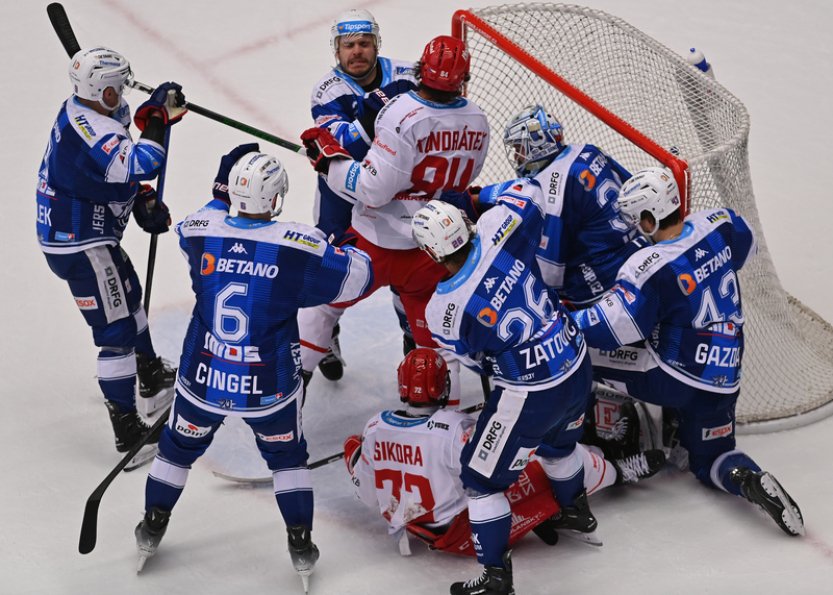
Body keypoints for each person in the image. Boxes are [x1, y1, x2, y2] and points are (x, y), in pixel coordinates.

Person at [133, 146, 374, 589]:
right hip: (269, 385)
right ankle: (300, 542)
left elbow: (210, 209)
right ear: (276, 198)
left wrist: (226, 172)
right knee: (287, 459)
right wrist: (346, 243)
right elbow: (360, 277)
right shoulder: (299, 246)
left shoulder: (197, 231)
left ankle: (153, 523)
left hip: (202, 377)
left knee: (175, 451)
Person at [569, 167, 805, 537]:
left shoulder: (647, 266)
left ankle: (585, 443)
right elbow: (745, 248)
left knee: (575, 354)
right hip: (725, 377)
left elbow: (611, 328)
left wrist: (559, 319)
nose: (635, 228)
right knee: (712, 458)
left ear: (649, 218)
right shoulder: (721, 222)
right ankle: (748, 479)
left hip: (671, 379)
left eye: (637, 220)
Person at [411, 187, 595, 595]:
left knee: (480, 480)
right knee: (559, 446)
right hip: (576, 360)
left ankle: (496, 578)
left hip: (530, 393)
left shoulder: (442, 309)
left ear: (430, 254)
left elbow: (474, 360)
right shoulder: (499, 226)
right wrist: (479, 196)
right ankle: (576, 511)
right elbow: (530, 196)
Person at [300, 35, 490, 407]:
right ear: (462, 79)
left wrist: (328, 162)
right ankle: (441, 425)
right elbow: (464, 178)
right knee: (436, 342)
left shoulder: (402, 112)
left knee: (321, 306)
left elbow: (371, 190)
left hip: (377, 243)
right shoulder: (478, 119)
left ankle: (281, 411)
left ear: (423, 70)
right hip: (432, 251)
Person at [344, 348, 665, 559]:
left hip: (418, 529)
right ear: (443, 386)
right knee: (551, 454)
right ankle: (618, 469)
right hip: (465, 533)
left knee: (355, 449)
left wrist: (361, 452)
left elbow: (369, 494)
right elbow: (495, 472)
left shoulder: (374, 426)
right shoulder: (453, 428)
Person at [35, 46, 186, 467]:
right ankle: (127, 431)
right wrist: (157, 117)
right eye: (119, 85)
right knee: (115, 330)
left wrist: (140, 200)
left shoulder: (96, 112)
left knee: (130, 298)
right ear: (101, 91)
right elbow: (144, 160)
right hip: (81, 243)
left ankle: (151, 377)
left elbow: (109, 175)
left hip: (89, 233)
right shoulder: (90, 128)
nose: (125, 90)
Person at [304, 8, 418, 382]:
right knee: (332, 275)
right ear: (336, 51)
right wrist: (383, 108)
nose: (357, 52)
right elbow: (345, 146)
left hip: (397, 193)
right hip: (343, 197)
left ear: (376, 44)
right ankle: (327, 337)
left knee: (409, 275)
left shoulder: (406, 73)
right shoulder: (328, 91)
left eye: (364, 43)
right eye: (349, 45)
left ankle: (414, 344)